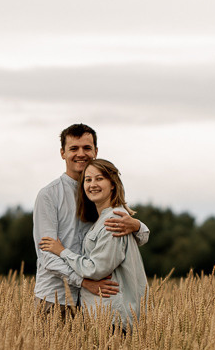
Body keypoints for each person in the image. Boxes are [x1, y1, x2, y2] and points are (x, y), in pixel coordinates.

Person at [33, 123, 147, 315]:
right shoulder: (49, 195)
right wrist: (85, 282)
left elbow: (132, 241)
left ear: (95, 151)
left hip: (95, 303)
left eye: (87, 148)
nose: (81, 154)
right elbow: (48, 256)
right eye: (73, 148)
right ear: (63, 153)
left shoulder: (98, 195)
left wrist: (136, 226)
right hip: (57, 297)